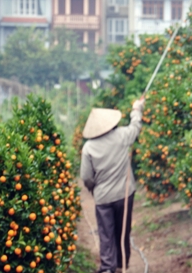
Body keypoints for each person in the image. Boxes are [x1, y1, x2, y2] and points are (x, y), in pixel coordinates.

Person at [80, 97, 145, 273]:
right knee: (123, 231)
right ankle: (121, 265)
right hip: (124, 194)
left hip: (103, 198)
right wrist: (136, 109)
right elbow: (135, 127)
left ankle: (108, 268)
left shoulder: (88, 148)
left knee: (106, 234)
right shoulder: (122, 136)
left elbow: (86, 177)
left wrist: (95, 188)